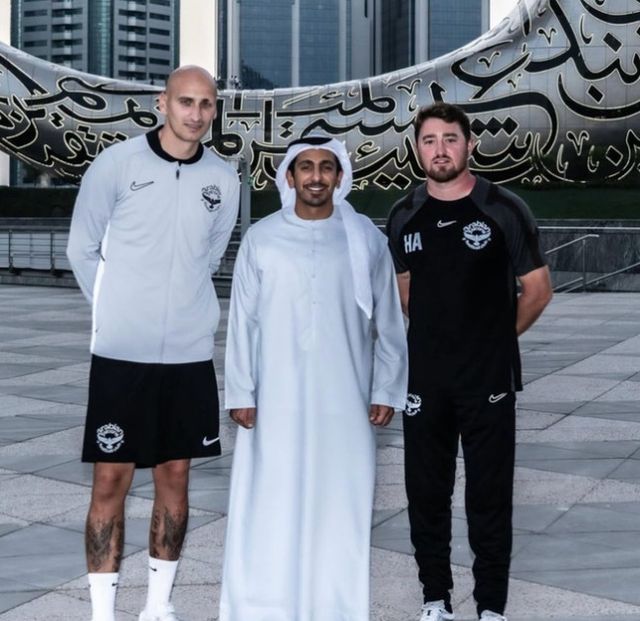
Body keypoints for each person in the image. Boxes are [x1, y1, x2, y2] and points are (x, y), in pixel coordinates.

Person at [66, 66, 240, 621]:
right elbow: (81, 248)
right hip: (122, 355)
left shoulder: (224, 179)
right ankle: (103, 613)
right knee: (110, 479)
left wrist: (185, 310)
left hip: (188, 355)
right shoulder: (117, 164)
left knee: (176, 477)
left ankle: (158, 607)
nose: (196, 114)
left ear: (215, 110)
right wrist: (117, 309)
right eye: (186, 101)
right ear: (162, 103)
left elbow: (210, 257)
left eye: (206, 104)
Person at [220, 136, 408, 620]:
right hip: (273, 396)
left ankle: (335, 606)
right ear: (289, 176)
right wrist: (240, 390)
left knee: (341, 503)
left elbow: (389, 320)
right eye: (306, 167)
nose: (317, 177)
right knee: (270, 499)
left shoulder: (365, 239)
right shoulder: (262, 237)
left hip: (346, 396)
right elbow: (243, 322)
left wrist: (386, 388)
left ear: (340, 177)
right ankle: (262, 606)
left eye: (327, 167)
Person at [386, 103, 553, 621]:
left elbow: (538, 290)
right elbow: (405, 292)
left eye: (450, 139)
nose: (440, 149)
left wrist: (493, 340)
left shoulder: (503, 209)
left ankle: (491, 607)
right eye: (430, 140)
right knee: (426, 494)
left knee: (489, 495)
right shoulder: (404, 214)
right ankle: (435, 599)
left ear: (469, 145)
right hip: (425, 381)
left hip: (488, 380)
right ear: (418, 149)